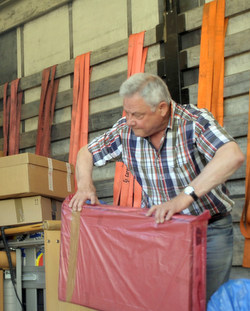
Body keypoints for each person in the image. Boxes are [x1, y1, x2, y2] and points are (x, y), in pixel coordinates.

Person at [69, 72, 244, 302]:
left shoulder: (194, 122)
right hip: (162, 231)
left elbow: (232, 155)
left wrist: (184, 198)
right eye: (127, 113)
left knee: (208, 301)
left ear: (162, 108)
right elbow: (86, 153)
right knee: (163, 300)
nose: (130, 120)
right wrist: (84, 185)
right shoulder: (125, 131)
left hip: (209, 230)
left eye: (137, 115)